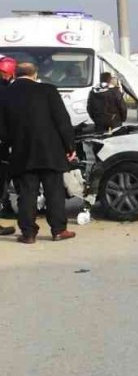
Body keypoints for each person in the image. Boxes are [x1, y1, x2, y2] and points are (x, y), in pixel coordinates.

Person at [0, 63, 77, 243]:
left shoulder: (4, 94)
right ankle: (58, 230)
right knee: (54, 192)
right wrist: (70, 147)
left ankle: (28, 233)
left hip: (21, 152)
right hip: (50, 150)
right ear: (35, 74)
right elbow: (62, 120)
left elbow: (2, 129)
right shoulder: (48, 90)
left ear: (15, 74)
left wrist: (12, 143)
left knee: (26, 193)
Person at [0, 56, 17, 226]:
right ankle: (5, 206)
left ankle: (6, 204)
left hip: (6, 139)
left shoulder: (9, 87)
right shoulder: (7, 89)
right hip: (4, 140)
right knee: (4, 175)